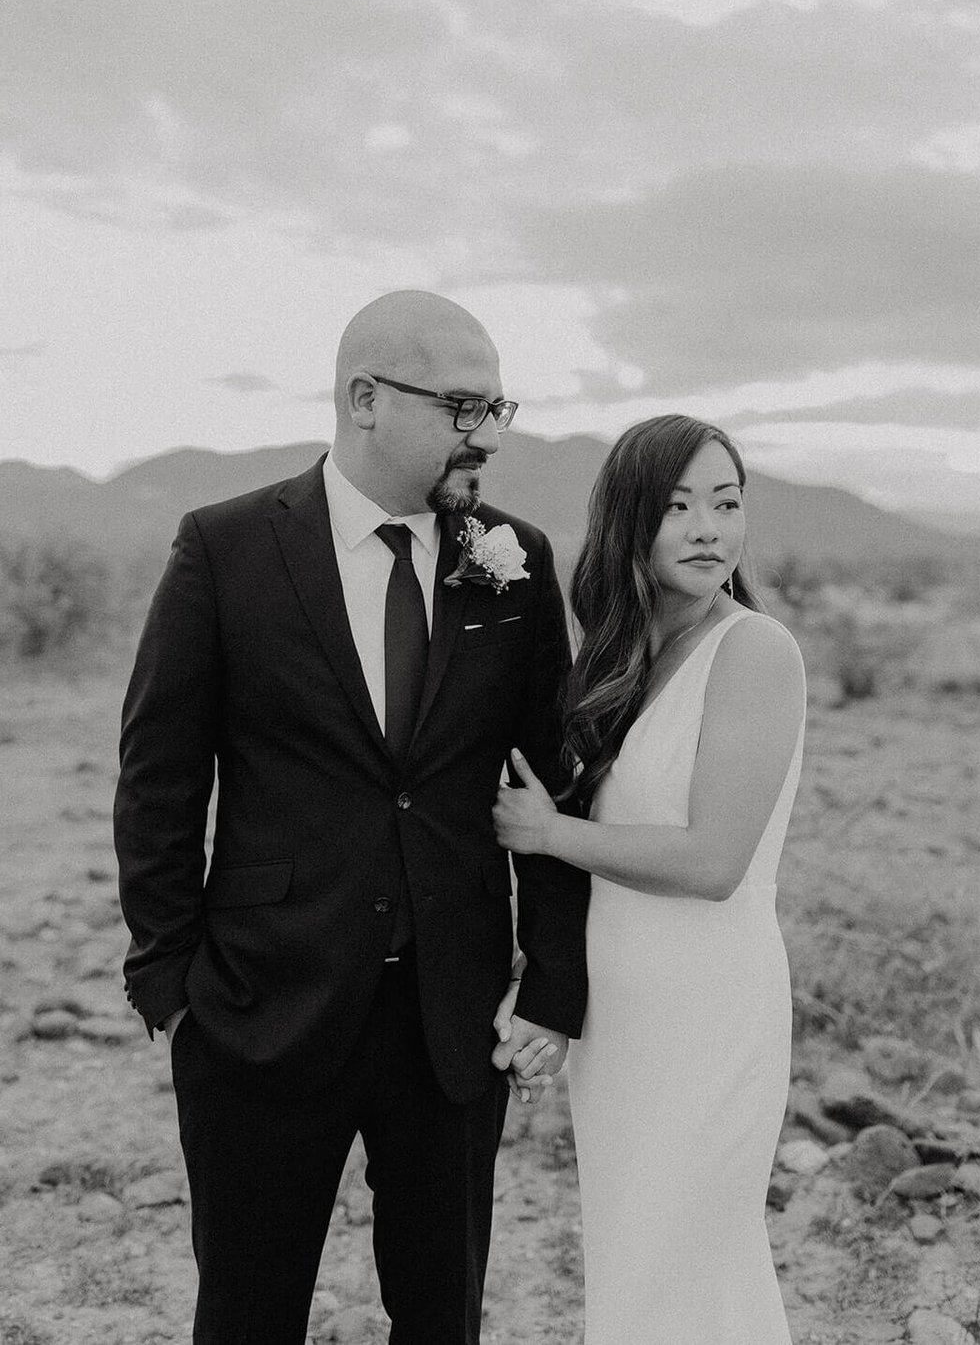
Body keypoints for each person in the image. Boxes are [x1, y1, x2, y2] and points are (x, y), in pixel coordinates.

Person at [113, 289, 589, 1345]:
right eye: (464, 408)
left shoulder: (516, 562)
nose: (489, 437)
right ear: (364, 398)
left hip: (454, 1020)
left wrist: (551, 982)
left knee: (441, 1316)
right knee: (245, 1313)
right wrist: (169, 980)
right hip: (260, 1007)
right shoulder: (226, 548)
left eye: (497, 407)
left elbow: (548, 776)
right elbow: (159, 774)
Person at [493, 413, 805, 1344]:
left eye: (727, 503)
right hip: (623, 1019)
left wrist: (548, 836)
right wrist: (548, 993)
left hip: (709, 1009)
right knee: (635, 1265)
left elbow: (713, 861)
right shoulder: (617, 657)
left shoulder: (754, 651)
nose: (709, 529)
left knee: (693, 1260)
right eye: (678, 508)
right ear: (631, 522)